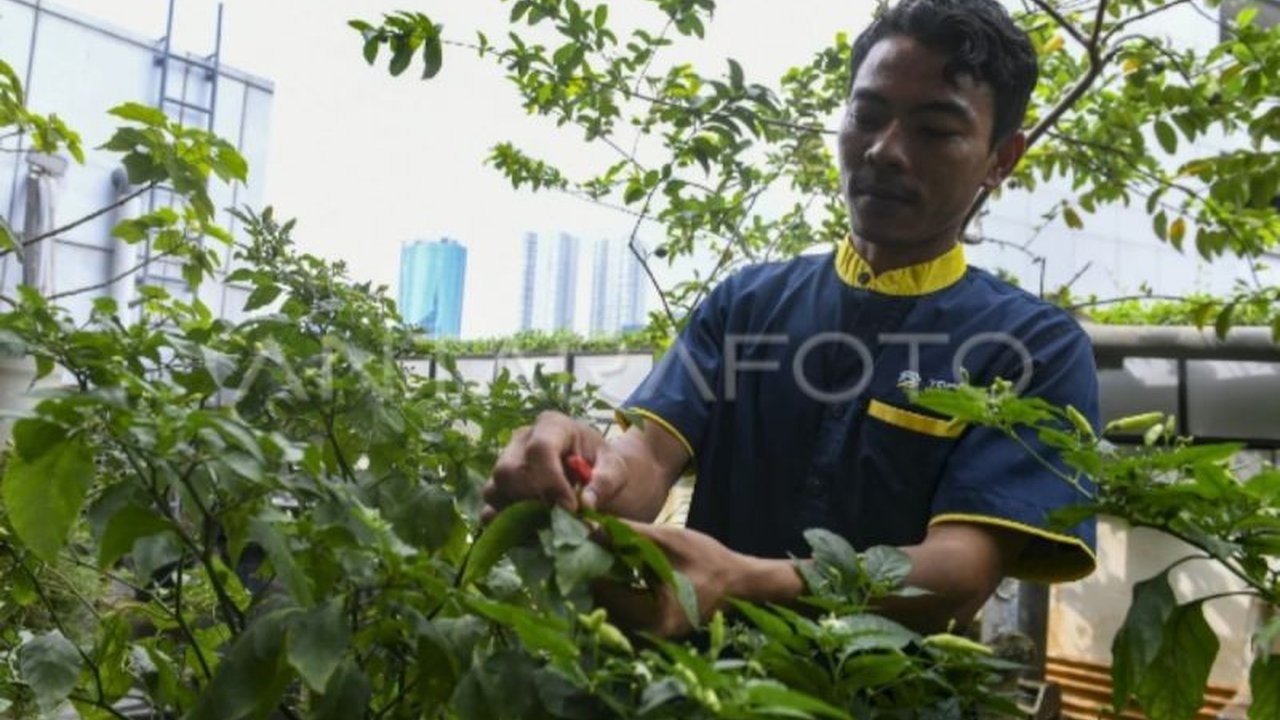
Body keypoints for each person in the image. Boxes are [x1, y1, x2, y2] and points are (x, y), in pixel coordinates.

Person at [484, 0, 1099, 636]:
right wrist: (586, 474)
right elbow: (645, 459)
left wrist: (744, 581)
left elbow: (959, 571)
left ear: (1002, 158)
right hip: (695, 695)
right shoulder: (747, 305)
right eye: (867, 114)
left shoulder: (1031, 349)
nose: (886, 150)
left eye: (936, 130)